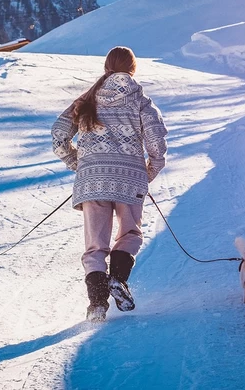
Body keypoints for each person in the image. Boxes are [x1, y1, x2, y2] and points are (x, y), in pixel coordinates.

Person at [51, 46, 168, 322]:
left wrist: (78, 164)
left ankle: (97, 305)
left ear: (106, 68)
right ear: (132, 69)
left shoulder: (87, 99)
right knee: (130, 234)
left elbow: (58, 135)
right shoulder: (141, 99)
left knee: (95, 246)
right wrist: (148, 172)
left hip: (92, 182)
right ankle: (117, 279)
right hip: (130, 180)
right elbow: (156, 143)